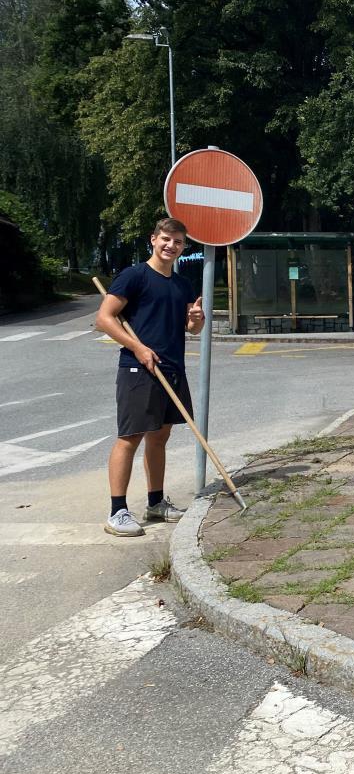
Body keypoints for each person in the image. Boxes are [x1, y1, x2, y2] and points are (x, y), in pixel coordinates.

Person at [96, 217, 205, 536]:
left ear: (183, 247)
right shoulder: (134, 276)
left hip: (171, 368)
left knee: (159, 437)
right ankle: (117, 512)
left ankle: (156, 503)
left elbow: (192, 329)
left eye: (178, 242)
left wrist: (196, 319)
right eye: (166, 239)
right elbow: (104, 318)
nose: (171, 245)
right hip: (138, 369)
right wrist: (138, 348)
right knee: (130, 437)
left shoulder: (182, 284)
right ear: (153, 239)